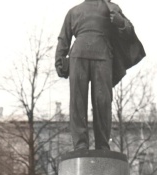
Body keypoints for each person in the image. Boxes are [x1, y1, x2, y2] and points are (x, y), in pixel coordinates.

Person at [55, 0, 145, 150]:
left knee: (102, 101)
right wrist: (59, 59)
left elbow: (129, 31)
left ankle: (102, 144)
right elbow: (63, 38)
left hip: (102, 56)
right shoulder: (74, 11)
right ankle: (81, 145)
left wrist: (120, 22)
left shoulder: (112, 8)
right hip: (79, 56)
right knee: (78, 101)